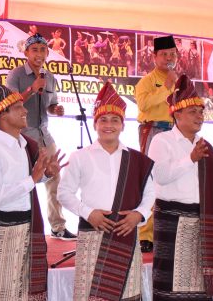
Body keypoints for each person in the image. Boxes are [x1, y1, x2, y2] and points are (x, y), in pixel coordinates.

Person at [149, 75, 213, 300]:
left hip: (200, 221)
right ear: (177, 114)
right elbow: (160, 176)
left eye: (201, 112)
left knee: (198, 289)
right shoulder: (161, 141)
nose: (199, 116)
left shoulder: (206, 147)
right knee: (170, 286)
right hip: (172, 221)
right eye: (193, 112)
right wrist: (190, 159)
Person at [58, 81, 156, 300]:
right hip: (92, 234)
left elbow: (150, 193)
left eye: (115, 120)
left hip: (126, 234)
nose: (108, 125)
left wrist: (138, 215)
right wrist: (88, 212)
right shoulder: (80, 157)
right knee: (92, 294)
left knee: (128, 294)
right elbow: (64, 193)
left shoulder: (138, 160)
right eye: (103, 120)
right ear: (95, 124)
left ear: (123, 125)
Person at [0, 85, 66, 300]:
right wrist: (33, 178)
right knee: (0, 292)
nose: (25, 111)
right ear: (2, 114)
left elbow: (26, 185)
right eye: (18, 107)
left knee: (22, 292)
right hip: (1, 230)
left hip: (26, 225)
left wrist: (46, 174)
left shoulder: (25, 144)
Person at [6, 33, 76, 240]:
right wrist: (30, 89)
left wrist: (56, 109)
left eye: (43, 50)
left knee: (54, 178)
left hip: (45, 135)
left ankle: (57, 226)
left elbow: (50, 105)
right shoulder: (16, 75)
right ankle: (22, 227)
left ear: (47, 53)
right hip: (23, 137)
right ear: (26, 52)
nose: (39, 54)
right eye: (34, 50)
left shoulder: (50, 77)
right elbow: (9, 103)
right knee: (25, 180)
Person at [135, 34, 178, 252]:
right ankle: (146, 234)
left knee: (174, 180)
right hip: (152, 130)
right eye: (164, 54)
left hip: (175, 132)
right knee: (150, 181)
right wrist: (166, 88)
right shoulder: (147, 81)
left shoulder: (182, 81)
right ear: (154, 57)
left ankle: (169, 230)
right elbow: (143, 104)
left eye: (172, 54)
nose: (169, 58)